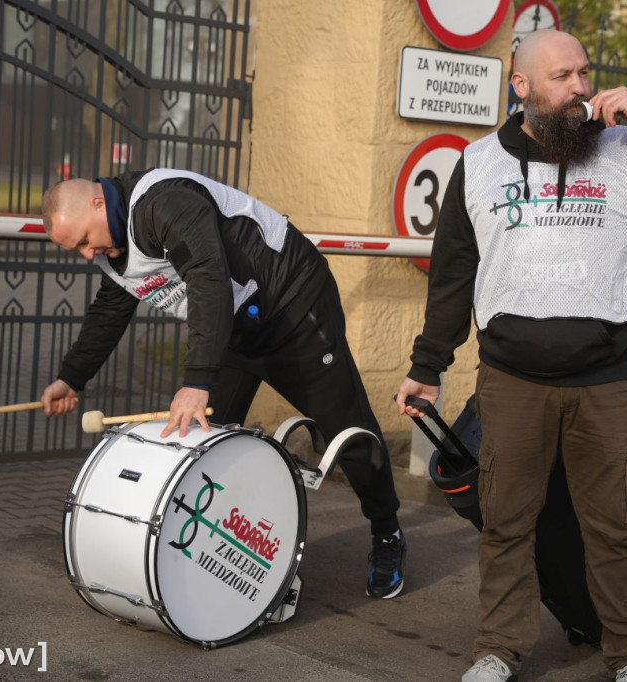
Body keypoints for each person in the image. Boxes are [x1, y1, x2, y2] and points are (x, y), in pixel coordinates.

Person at [396, 30, 627, 682]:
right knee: (506, 524)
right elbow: (454, 275)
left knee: (614, 526)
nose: (580, 88)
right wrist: (427, 367)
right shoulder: (478, 164)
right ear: (521, 87)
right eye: (562, 77)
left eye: (584, 73)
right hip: (511, 381)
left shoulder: (624, 148)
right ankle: (499, 650)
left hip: (603, 381)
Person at [40, 168, 406, 599]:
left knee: (345, 426)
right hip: (234, 328)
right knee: (205, 446)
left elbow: (208, 277)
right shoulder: (113, 245)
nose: (88, 254)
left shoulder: (163, 203)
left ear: (98, 203)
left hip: (292, 304)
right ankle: (235, 557)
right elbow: (109, 310)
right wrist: (71, 377)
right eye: (78, 249)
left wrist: (198, 380)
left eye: (85, 240)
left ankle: (387, 532)